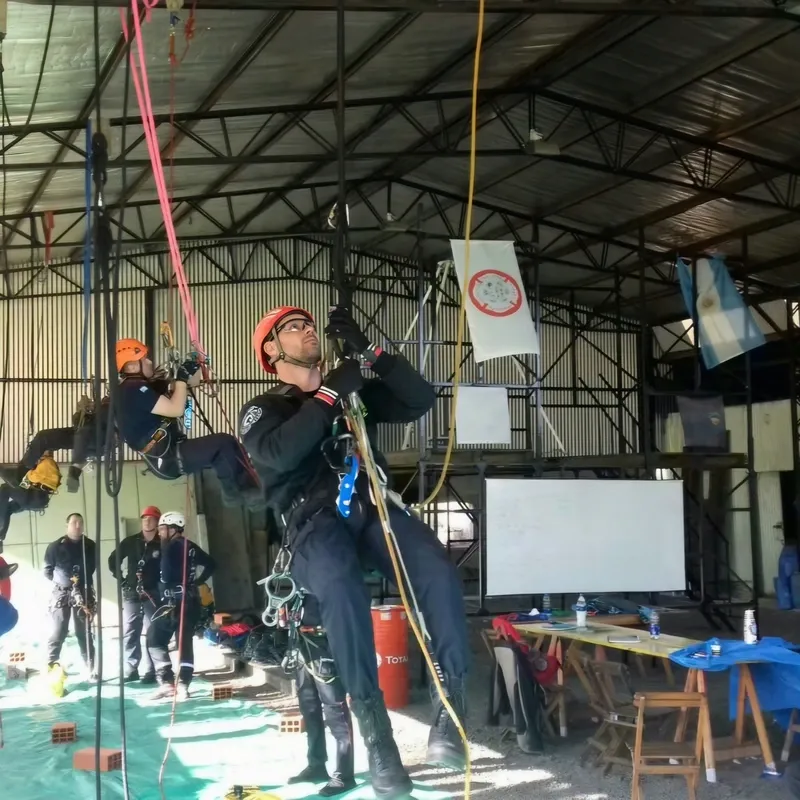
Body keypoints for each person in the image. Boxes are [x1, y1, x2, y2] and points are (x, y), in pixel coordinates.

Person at [239, 305, 470, 799]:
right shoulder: (264, 408)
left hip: (371, 508)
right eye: (292, 329)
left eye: (308, 324)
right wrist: (328, 392)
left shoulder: (351, 399)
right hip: (313, 526)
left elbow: (420, 399)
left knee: (436, 570)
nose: (307, 332)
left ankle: (452, 708)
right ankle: (379, 740)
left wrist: (373, 353)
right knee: (344, 593)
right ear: (271, 351)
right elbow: (278, 452)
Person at [114, 338, 260, 505]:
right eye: (144, 359)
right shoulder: (135, 389)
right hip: (168, 457)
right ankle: (234, 495)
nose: (149, 361)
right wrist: (181, 379)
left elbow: (174, 394)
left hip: (168, 454)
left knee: (231, 445)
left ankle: (250, 487)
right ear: (132, 366)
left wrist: (182, 376)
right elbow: (176, 409)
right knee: (223, 444)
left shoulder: (132, 389)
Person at [290, 594, 355, 797]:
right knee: (309, 709)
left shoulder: (330, 566)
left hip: (324, 642)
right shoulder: (298, 568)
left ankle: (344, 775)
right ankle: (316, 764)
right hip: (302, 643)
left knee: (336, 713)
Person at [146, 510, 215, 700]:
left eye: (162, 529)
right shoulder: (190, 546)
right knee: (184, 642)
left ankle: (167, 682)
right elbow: (211, 564)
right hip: (191, 601)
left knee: (155, 639)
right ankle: (183, 685)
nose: (160, 533)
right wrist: (198, 581)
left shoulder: (170, 548)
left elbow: (166, 576)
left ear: (173, 529)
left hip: (174, 603)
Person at [107, 505, 162, 683]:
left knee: (152, 631)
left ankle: (152, 671)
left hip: (153, 592)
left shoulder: (163, 543)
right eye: (144, 518)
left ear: (157, 521)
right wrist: (122, 579)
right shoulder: (131, 542)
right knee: (130, 630)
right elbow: (113, 559)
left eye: (151, 518)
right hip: (132, 591)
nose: (147, 521)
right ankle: (131, 669)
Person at [43, 512, 97, 681]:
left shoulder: (89, 545)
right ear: (67, 525)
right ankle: (51, 665)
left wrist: (80, 587)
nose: (78, 525)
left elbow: (92, 567)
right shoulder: (55, 546)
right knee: (59, 630)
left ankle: (91, 668)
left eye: (81, 522)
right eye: (74, 522)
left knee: (84, 632)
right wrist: (64, 583)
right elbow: (47, 570)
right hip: (62, 592)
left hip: (83, 590)